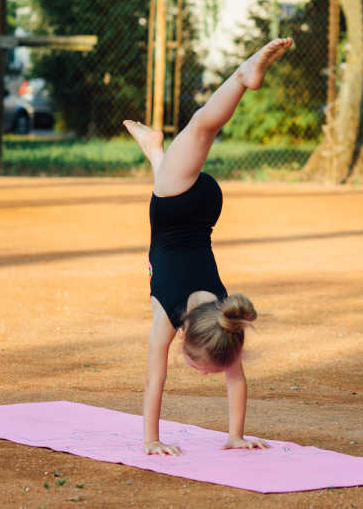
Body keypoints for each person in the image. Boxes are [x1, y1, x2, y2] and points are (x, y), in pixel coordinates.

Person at [123, 37, 294, 456]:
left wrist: (235, 436)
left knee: (188, 145)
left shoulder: (222, 317)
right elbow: (156, 379)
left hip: (202, 209)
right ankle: (242, 74)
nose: (204, 374)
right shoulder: (179, 315)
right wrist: (150, 439)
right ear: (188, 341)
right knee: (202, 125)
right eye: (203, 366)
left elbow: (231, 377)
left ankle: (154, 149)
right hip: (177, 204)